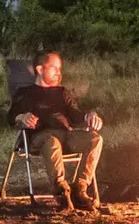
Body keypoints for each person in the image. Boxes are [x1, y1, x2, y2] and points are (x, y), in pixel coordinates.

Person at [11, 50, 105, 211]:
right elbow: (12, 115)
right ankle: (61, 191)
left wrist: (90, 116)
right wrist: (22, 117)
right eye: (54, 68)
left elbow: (75, 115)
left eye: (59, 68)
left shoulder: (62, 93)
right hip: (40, 138)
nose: (59, 72)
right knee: (51, 141)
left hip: (66, 136)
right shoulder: (25, 93)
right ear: (40, 70)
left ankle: (80, 189)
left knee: (95, 139)